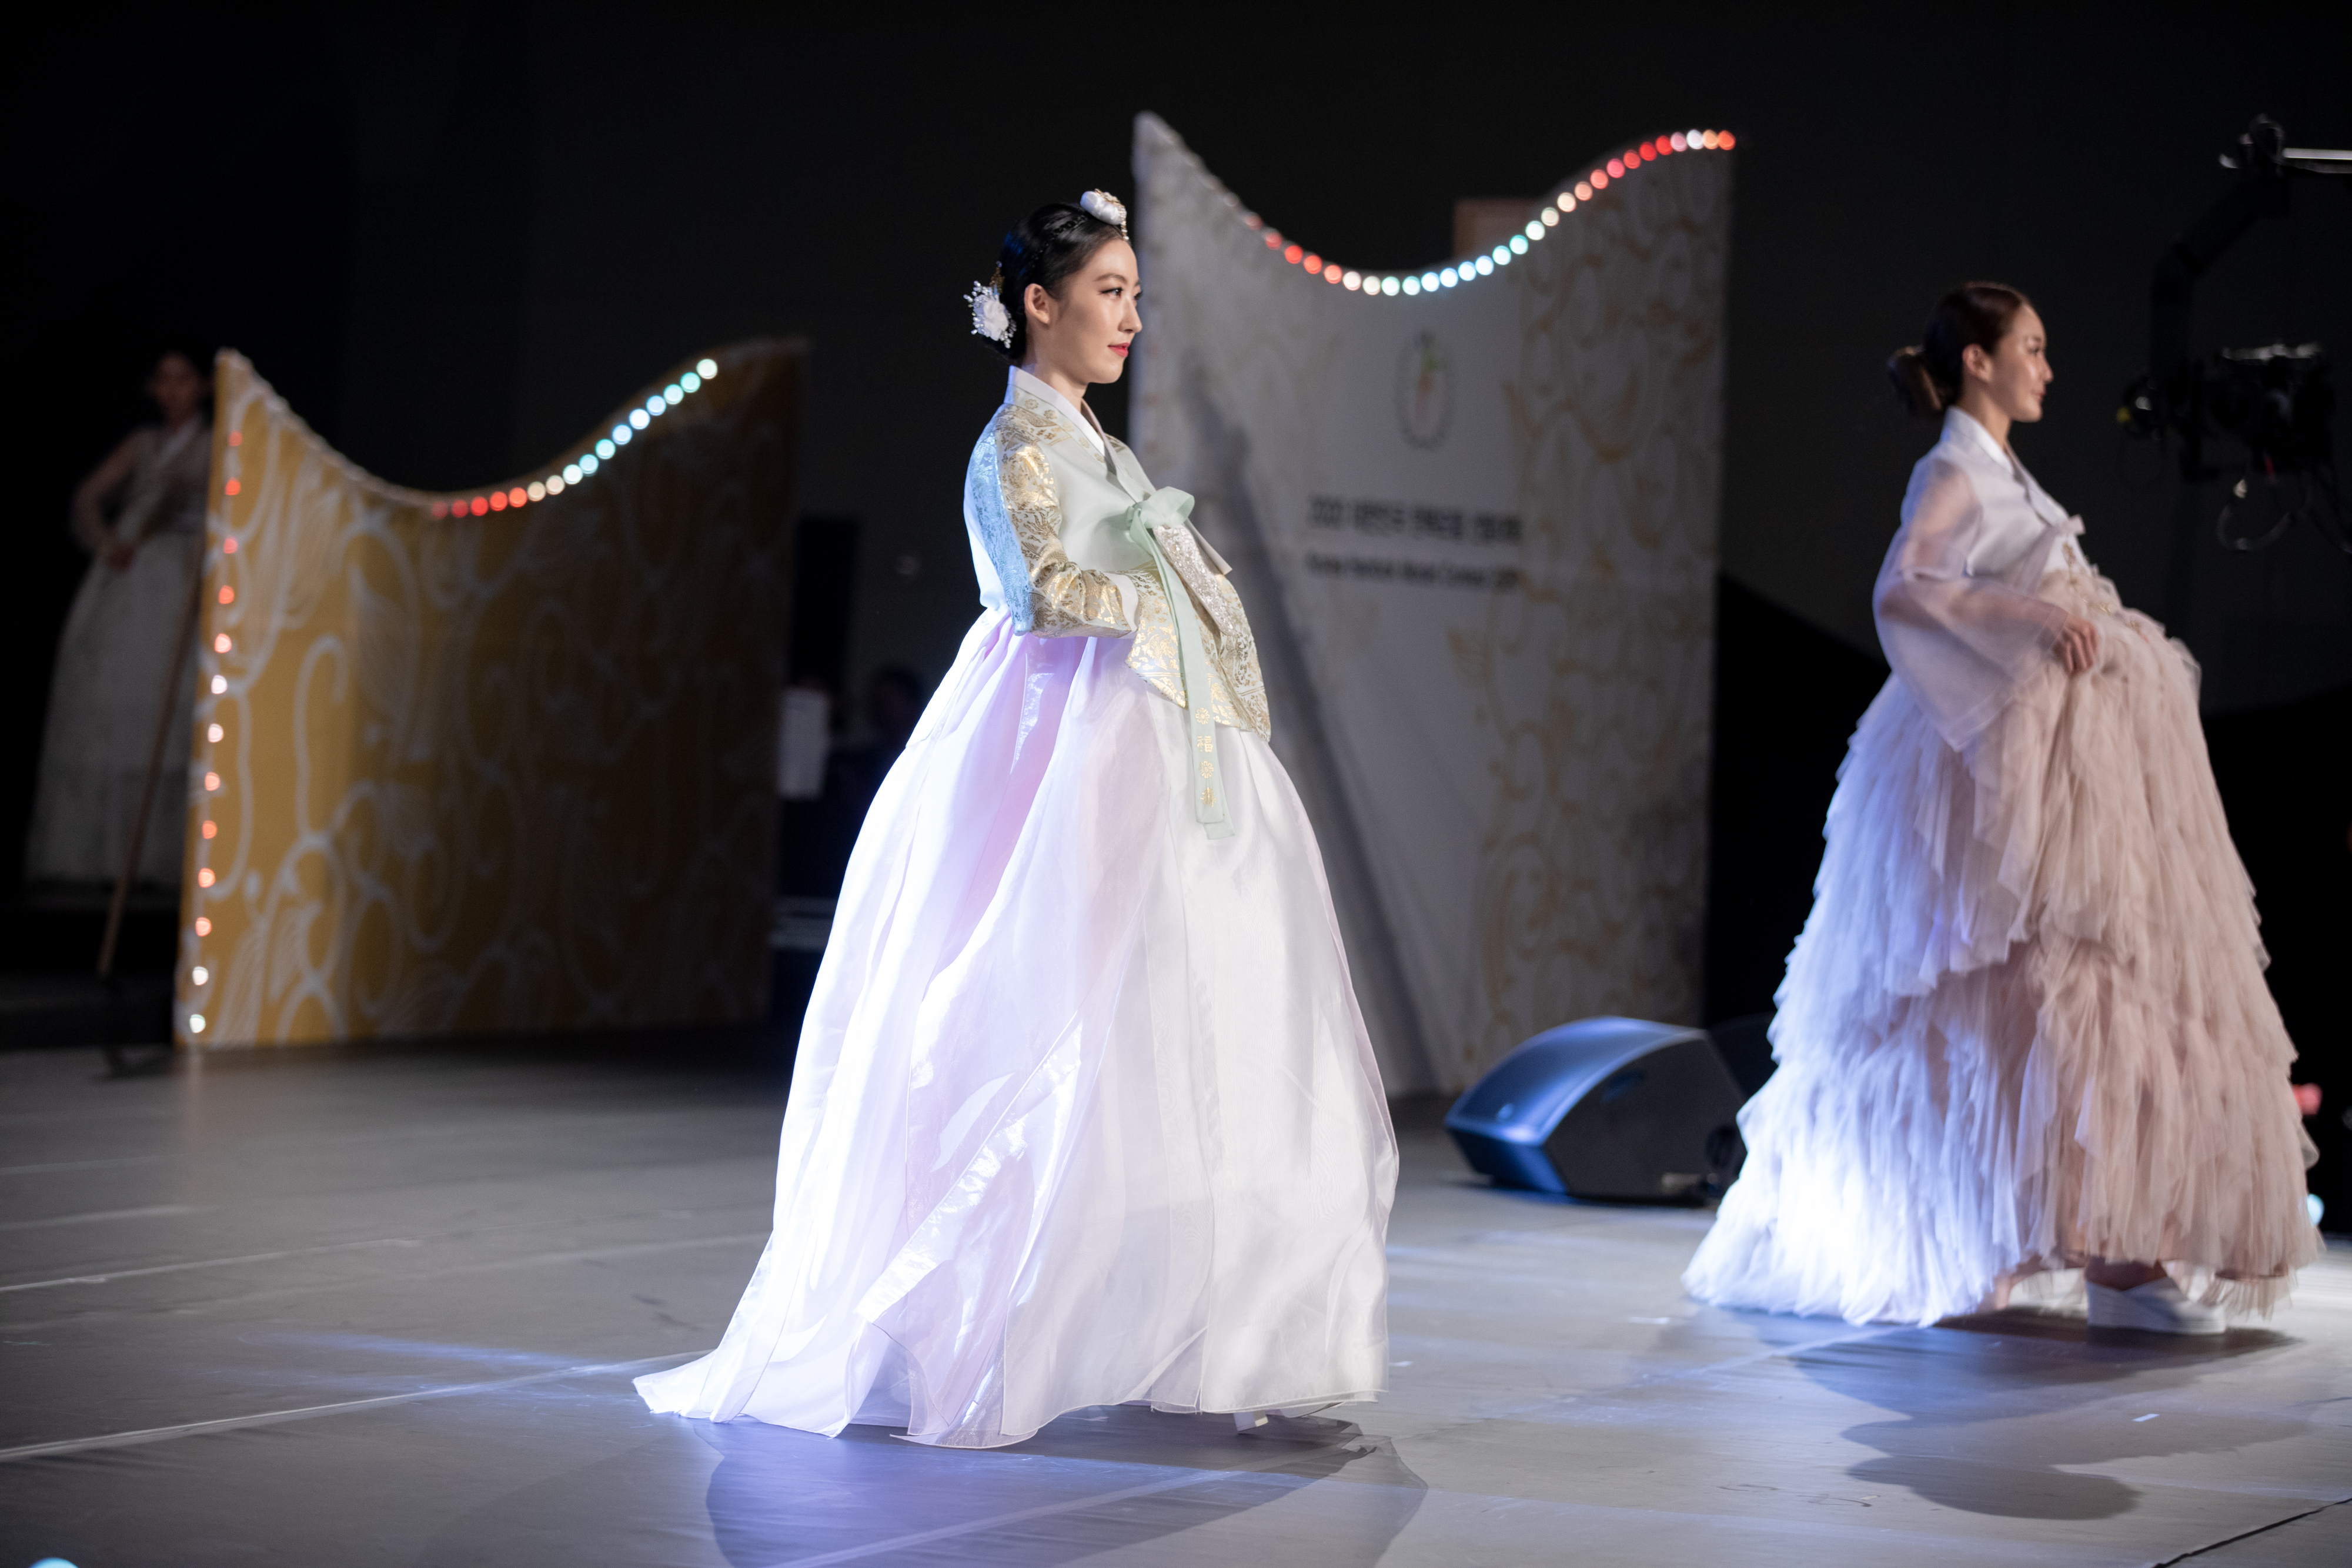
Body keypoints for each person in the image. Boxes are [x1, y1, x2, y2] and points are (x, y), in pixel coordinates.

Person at [639, 192, 1397, 1446]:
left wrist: (1163, 572)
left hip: (1153, 734)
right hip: (1063, 744)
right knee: (1038, 1017)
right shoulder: (1015, 444)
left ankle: (1218, 1329)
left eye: (1136, 295)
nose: (1130, 318)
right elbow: (1039, 592)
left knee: (1195, 1027)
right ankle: (983, 1322)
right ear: (1038, 305)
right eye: (1109, 292)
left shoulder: (1101, 445)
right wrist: (1156, 582)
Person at [1683, 284, 2318, 1333]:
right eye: (2031, 346)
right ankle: (2040, 1247)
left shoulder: (1999, 468)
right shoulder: (1952, 468)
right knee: (2019, 987)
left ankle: (2105, 1243)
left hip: (2063, 761)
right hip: (2000, 759)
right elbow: (1906, 587)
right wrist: (2030, 613)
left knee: (2077, 988)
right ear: (1977, 360)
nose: (2047, 367)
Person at [26, 349, 212, 887]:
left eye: (183, 379)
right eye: (164, 380)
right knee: (116, 703)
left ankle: (164, 856)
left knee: (172, 712)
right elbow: (88, 496)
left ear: (202, 385)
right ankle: (107, 855)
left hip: (187, 576)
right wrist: (108, 542)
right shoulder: (144, 443)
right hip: (138, 576)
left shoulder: (216, 443)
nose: (172, 391)